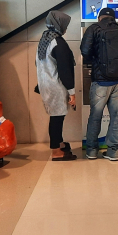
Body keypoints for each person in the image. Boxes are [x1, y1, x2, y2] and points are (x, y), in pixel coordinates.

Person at [80, 7, 118, 161]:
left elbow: (85, 51)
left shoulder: (93, 29)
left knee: (95, 116)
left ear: (99, 18)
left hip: (101, 81)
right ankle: (113, 152)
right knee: (117, 116)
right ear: (114, 18)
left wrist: (95, 63)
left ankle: (91, 151)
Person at [36, 11, 77, 161]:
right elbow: (65, 69)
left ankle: (59, 143)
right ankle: (56, 151)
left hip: (46, 84)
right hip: (56, 85)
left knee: (56, 116)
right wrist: (72, 92)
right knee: (57, 118)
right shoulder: (58, 42)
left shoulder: (45, 39)